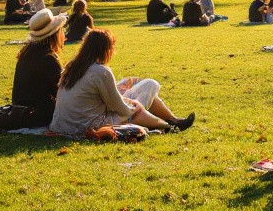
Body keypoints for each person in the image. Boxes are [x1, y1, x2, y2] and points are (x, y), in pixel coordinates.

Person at [49, 29, 195, 137]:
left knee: (136, 94)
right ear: (105, 50)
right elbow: (119, 108)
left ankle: (173, 121)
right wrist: (134, 107)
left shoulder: (72, 66)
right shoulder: (100, 71)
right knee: (149, 86)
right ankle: (169, 125)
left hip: (62, 125)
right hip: (87, 126)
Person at [11, 9, 68, 127]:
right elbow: (62, 92)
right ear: (55, 34)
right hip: (38, 115)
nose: (64, 36)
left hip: (21, 111)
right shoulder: (48, 59)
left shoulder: (27, 53)